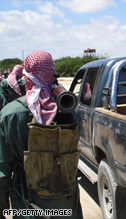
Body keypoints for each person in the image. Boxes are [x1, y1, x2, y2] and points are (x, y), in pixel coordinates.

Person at [0, 50, 83, 219]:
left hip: (28, 206)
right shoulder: (71, 111)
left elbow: (3, 170)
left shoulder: (11, 114)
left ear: (27, 75)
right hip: (67, 203)